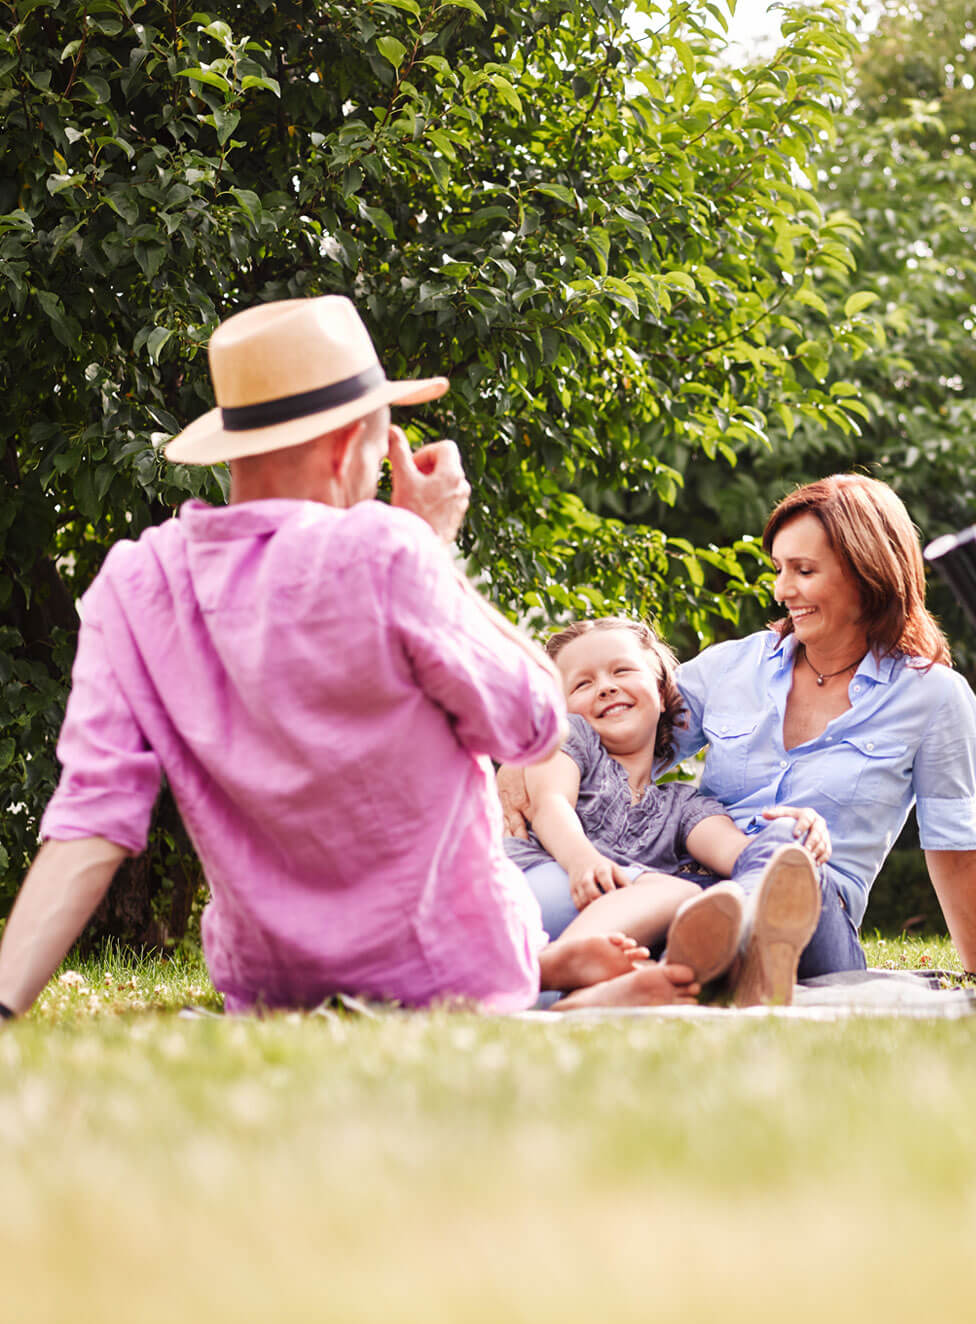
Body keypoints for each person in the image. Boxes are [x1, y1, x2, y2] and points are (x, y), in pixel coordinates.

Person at [0, 296, 653, 1022]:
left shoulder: (135, 582)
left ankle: (554, 972)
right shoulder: (388, 550)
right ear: (346, 448)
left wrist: (2, 1002)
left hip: (270, 984)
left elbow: (92, 816)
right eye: (380, 448)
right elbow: (534, 724)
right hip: (446, 974)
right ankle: (550, 983)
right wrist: (432, 545)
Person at [501, 475, 976, 982]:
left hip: (811, 910)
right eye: (779, 569)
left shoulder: (935, 699)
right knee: (672, 901)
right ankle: (710, 956)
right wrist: (528, 759)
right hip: (692, 887)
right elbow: (622, 733)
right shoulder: (732, 667)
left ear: (866, 572)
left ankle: (735, 939)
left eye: (804, 571)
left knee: (789, 842)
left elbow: (953, 846)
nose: (783, 590)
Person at [505, 618, 830, 1007]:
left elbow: (738, 852)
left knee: (757, 856)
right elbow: (549, 803)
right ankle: (563, 967)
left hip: (594, 923)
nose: (606, 686)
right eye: (582, 684)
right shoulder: (574, 738)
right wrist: (581, 860)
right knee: (678, 890)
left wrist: (792, 835)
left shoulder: (681, 804)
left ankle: (568, 994)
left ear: (661, 693)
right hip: (529, 884)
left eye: (622, 670)